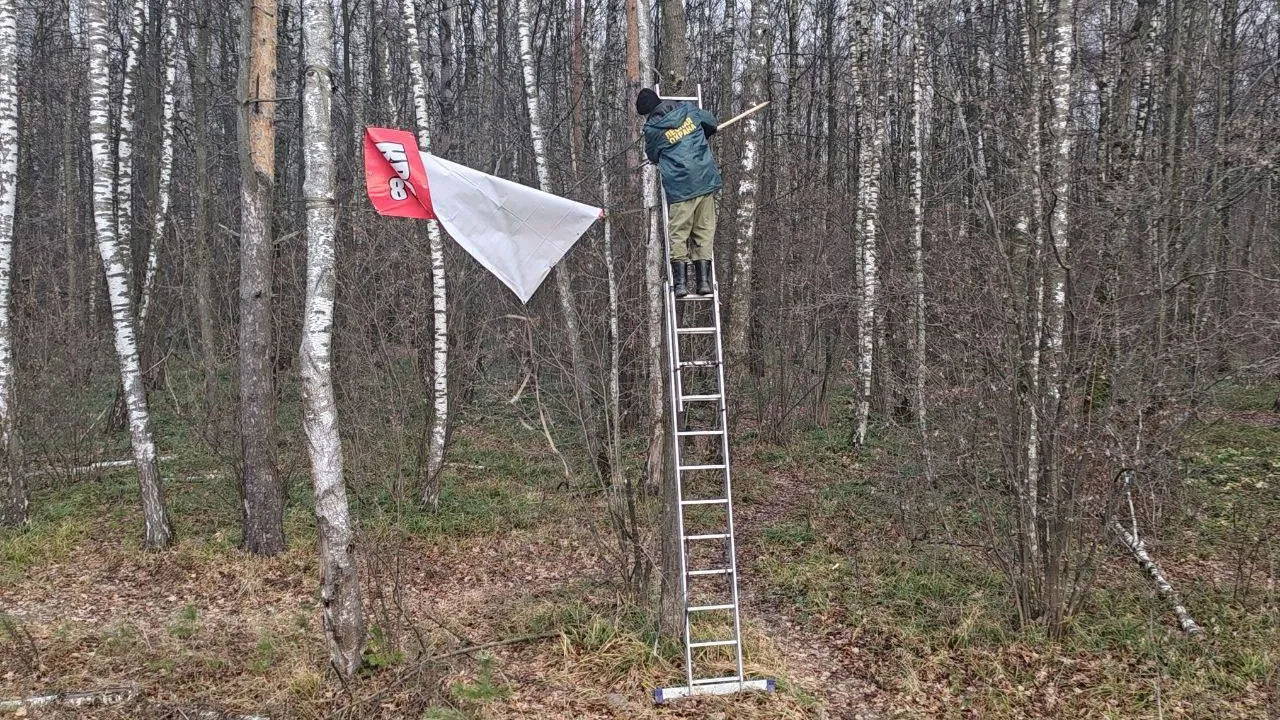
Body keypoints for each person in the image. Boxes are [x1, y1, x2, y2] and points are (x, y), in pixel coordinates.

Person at [636, 87, 721, 298]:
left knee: (679, 233)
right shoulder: (688, 110)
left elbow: (653, 156)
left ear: (648, 113)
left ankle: (681, 284)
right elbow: (711, 122)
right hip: (704, 179)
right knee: (704, 231)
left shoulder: (653, 130)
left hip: (681, 187)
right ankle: (703, 282)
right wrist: (700, 132)